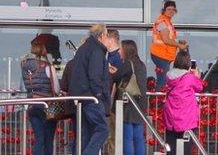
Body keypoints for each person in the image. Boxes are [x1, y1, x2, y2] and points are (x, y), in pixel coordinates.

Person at [69, 23, 112, 155]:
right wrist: (99, 95)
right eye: (107, 35)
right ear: (102, 35)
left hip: (81, 98)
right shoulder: (96, 50)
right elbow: (95, 75)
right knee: (103, 129)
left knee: (84, 134)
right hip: (91, 97)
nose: (108, 39)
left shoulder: (84, 48)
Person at [21, 35, 60, 155]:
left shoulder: (24, 66)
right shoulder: (47, 66)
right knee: (48, 139)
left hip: (32, 105)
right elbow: (56, 89)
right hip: (48, 106)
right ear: (43, 50)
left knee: (38, 138)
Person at [162, 50, 204, 154]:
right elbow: (199, 87)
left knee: (171, 147)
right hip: (186, 119)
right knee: (185, 148)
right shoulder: (189, 77)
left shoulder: (169, 75)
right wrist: (196, 76)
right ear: (188, 63)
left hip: (171, 118)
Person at [112, 40, 148, 155]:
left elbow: (116, 77)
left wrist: (112, 72)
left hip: (129, 103)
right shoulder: (141, 64)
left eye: (121, 49)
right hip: (140, 102)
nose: (119, 52)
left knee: (127, 137)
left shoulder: (128, 63)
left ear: (126, 50)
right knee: (138, 136)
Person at [151, 0, 187, 89]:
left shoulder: (167, 22)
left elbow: (168, 39)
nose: (171, 11)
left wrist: (178, 43)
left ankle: (159, 99)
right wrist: (179, 46)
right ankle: (158, 101)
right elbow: (166, 40)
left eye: (173, 9)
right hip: (160, 54)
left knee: (163, 80)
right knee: (162, 81)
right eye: (168, 9)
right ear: (164, 10)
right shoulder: (162, 22)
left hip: (164, 55)